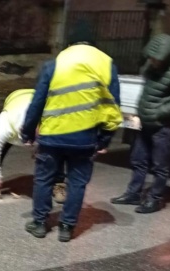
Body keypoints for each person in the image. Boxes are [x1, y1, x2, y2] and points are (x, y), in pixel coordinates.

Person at [20, 21, 122, 242]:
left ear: (70, 43)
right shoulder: (107, 63)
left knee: (43, 179)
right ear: (93, 44)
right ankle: (66, 227)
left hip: (52, 136)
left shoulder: (55, 63)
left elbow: (37, 102)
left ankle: (39, 223)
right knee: (77, 183)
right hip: (85, 139)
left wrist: (27, 132)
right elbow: (112, 106)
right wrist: (104, 140)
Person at [110, 34, 170, 214]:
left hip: (164, 127)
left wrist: (157, 113)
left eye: (156, 59)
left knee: (159, 165)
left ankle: (155, 199)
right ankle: (133, 194)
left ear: (167, 57)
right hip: (146, 123)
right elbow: (149, 83)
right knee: (138, 160)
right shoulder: (153, 66)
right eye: (151, 58)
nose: (152, 62)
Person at [0, 89, 66, 203]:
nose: (29, 146)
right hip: (16, 99)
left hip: (35, 100)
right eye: (28, 140)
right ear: (21, 130)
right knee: (0, 148)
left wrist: (40, 147)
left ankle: (58, 183)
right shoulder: (6, 123)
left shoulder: (51, 119)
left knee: (56, 151)